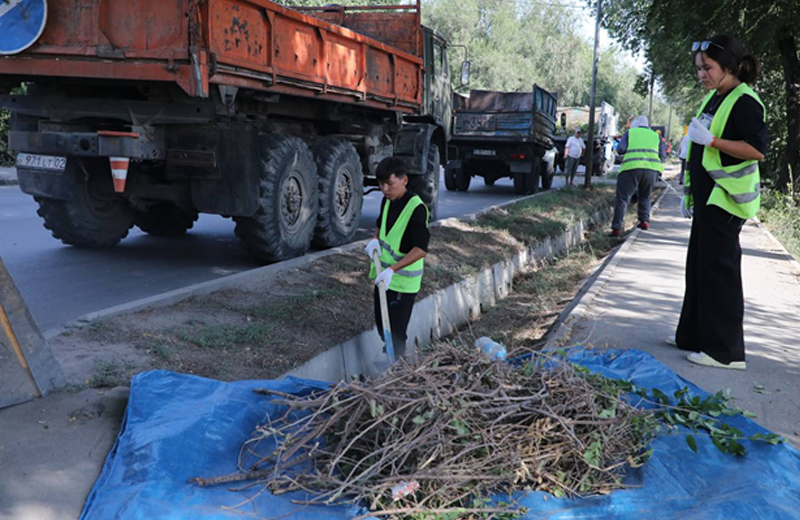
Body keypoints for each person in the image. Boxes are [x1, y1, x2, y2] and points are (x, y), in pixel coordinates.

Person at [672, 35, 768, 370]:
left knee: (718, 274)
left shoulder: (745, 101)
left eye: (707, 68)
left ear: (728, 67)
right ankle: (693, 336)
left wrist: (711, 140)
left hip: (726, 201)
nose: (701, 74)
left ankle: (725, 352)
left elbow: (756, 149)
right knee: (699, 269)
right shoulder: (716, 97)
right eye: (698, 68)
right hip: (707, 200)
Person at [364, 157, 430, 361]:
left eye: (389, 184)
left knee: (396, 332)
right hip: (384, 278)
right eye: (381, 184)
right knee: (384, 328)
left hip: (402, 283)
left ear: (404, 180)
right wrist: (375, 239)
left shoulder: (416, 209)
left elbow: (421, 249)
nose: (384, 189)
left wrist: (393, 269)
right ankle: (391, 359)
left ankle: (398, 369)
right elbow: (380, 222)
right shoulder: (387, 200)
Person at [609, 115, 665, 236]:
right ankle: (644, 221)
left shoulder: (630, 133)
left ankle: (616, 228)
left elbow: (620, 149)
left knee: (622, 199)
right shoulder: (656, 136)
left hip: (631, 168)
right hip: (651, 170)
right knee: (645, 196)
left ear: (635, 125)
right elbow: (662, 156)